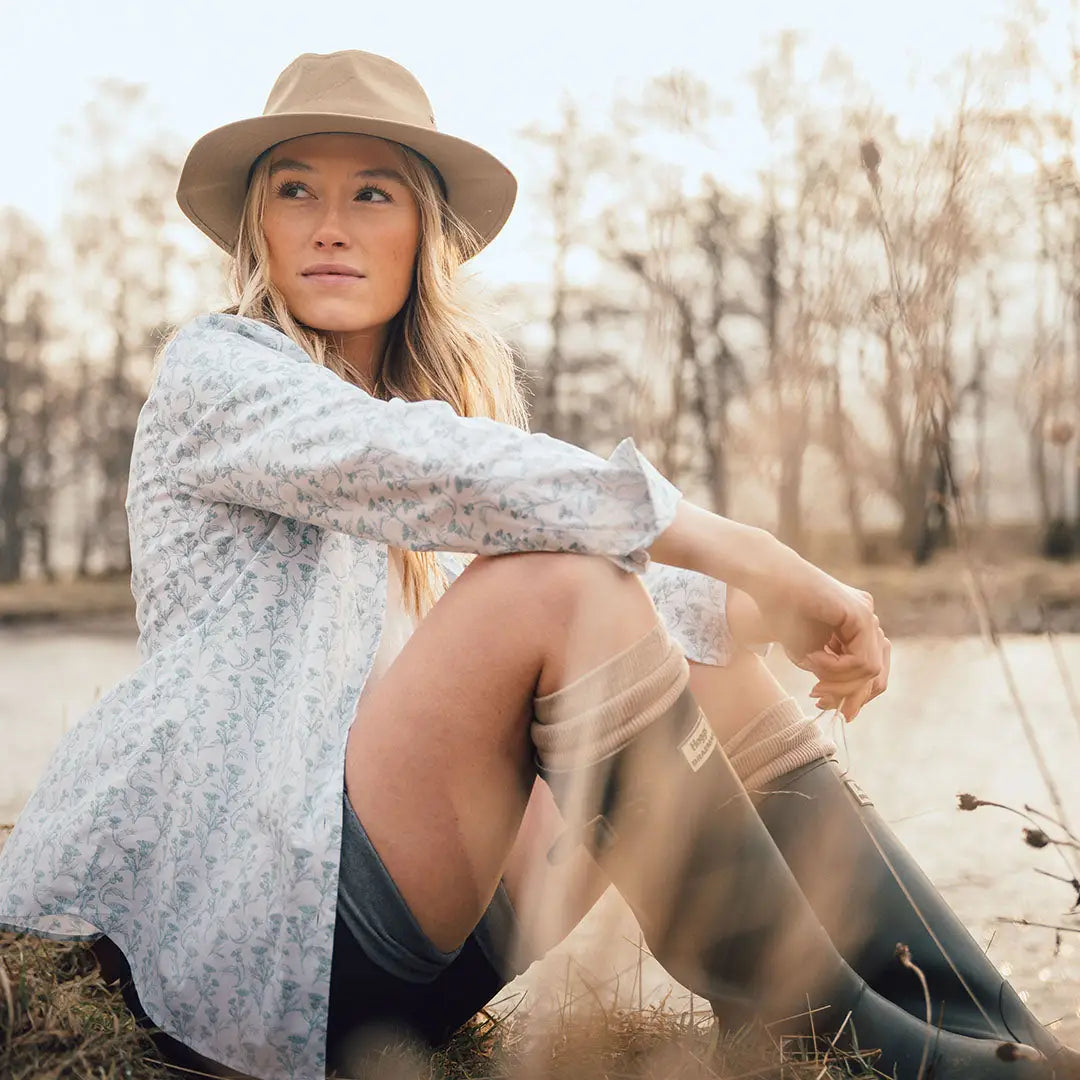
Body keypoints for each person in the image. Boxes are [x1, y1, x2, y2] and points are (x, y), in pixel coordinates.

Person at [0, 49, 1073, 1080]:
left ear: (425, 229)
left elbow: (571, 578)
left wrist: (751, 609)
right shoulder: (220, 374)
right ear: (258, 226)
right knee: (553, 586)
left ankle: (987, 1036)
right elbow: (438, 472)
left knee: (698, 651)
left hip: (397, 938)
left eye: (372, 194)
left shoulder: (400, 420)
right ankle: (826, 1029)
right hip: (253, 940)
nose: (329, 226)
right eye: (294, 191)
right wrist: (757, 551)